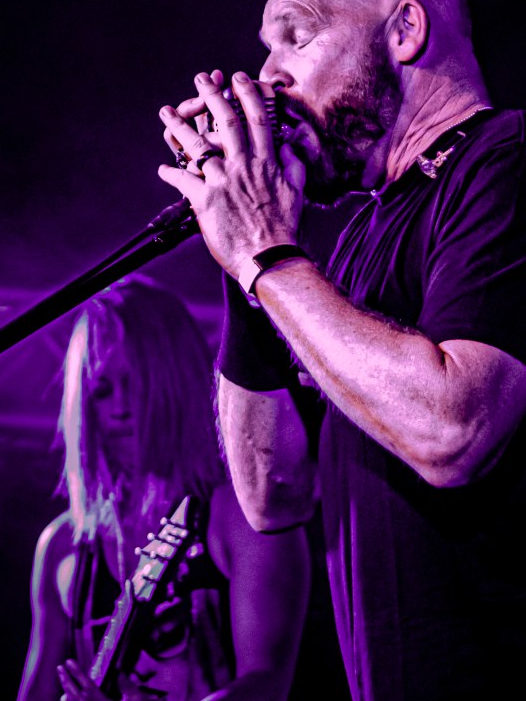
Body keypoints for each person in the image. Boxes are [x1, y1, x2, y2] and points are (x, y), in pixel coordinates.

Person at [157, 0, 526, 700]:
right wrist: (243, 256)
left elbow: (450, 431)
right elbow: (271, 492)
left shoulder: (521, 162)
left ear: (405, 31)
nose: (268, 75)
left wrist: (265, 254)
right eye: (265, 49)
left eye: (296, 36)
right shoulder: (353, 244)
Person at [16, 275, 311, 701]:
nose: (119, 408)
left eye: (136, 382)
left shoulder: (242, 518)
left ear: (174, 380)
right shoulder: (62, 545)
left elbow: (266, 684)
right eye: (101, 389)